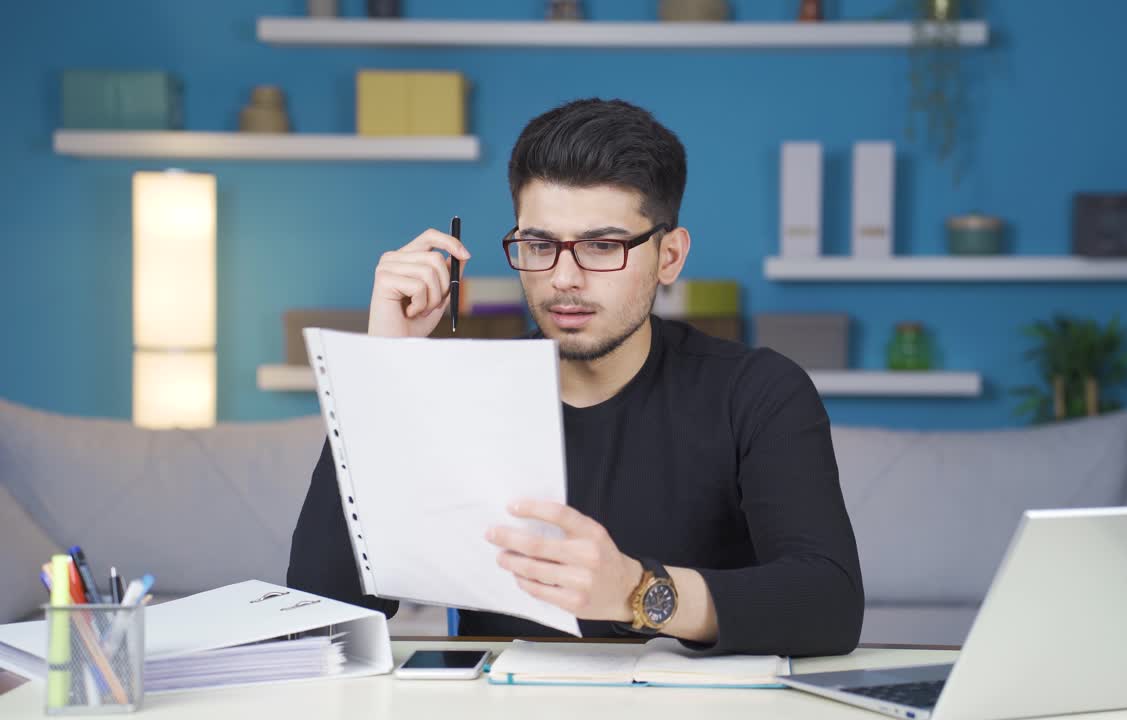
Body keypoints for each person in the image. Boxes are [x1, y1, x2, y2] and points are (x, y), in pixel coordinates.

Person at [287, 98, 863, 657]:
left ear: (670, 256)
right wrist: (383, 371)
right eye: (539, 245)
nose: (564, 278)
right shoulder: (455, 395)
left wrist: (638, 592)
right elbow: (321, 615)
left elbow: (829, 603)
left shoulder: (758, 392)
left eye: (602, 245)